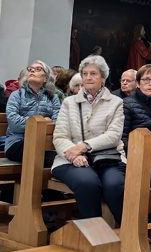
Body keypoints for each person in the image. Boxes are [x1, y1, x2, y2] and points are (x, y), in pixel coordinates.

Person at [53, 55, 126, 225]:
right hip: (70, 158)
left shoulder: (116, 102)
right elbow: (60, 136)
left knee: (114, 185)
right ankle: (95, 233)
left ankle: (127, 231)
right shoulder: (69, 103)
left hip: (108, 158)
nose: (88, 77)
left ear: (103, 78)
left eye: (93, 73)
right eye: (85, 73)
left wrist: (84, 146)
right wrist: (74, 154)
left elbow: (113, 135)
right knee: (88, 183)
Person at [5, 60, 61, 164]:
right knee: (39, 151)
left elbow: (58, 122)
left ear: (46, 78)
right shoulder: (17, 95)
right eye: (30, 69)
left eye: (38, 69)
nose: (32, 71)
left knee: (61, 154)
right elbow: (14, 123)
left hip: (45, 142)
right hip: (17, 142)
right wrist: (41, 122)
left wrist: (42, 125)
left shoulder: (53, 97)